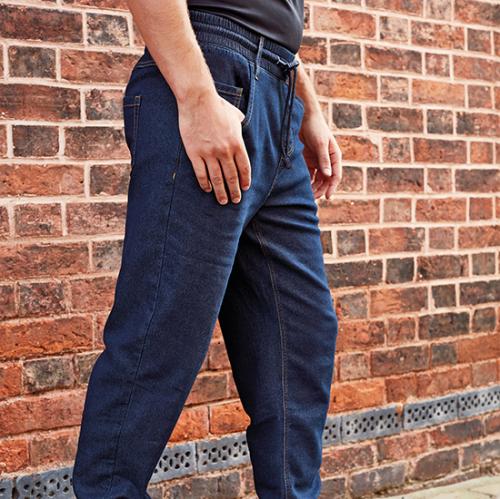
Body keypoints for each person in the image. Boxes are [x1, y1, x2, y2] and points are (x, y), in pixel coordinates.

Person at [72, 0, 343, 497]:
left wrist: (305, 102)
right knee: (161, 333)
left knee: (301, 338)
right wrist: (197, 96)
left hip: (279, 92)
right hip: (212, 72)